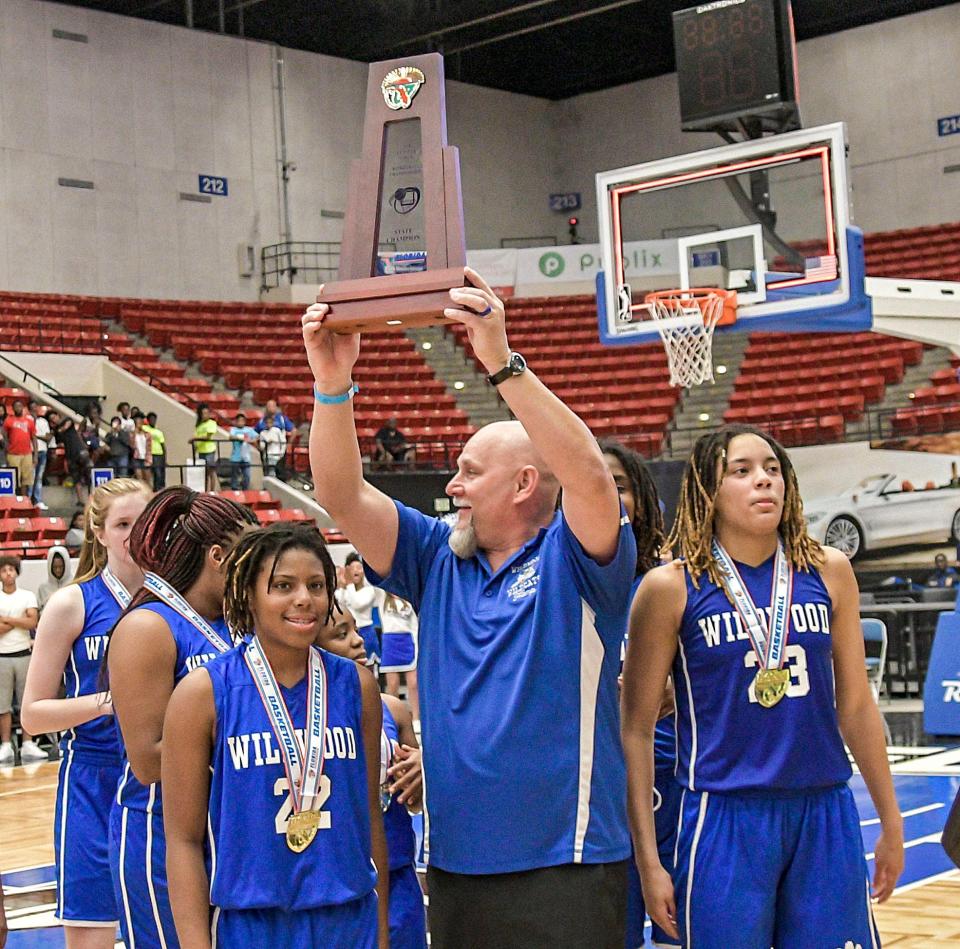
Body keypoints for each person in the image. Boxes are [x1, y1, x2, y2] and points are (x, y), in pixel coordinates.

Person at [303, 266, 636, 948]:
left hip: (566, 862)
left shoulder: (577, 560)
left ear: (522, 484)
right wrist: (333, 387)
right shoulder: (436, 558)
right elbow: (341, 494)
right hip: (454, 863)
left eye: (469, 472)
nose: (451, 483)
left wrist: (501, 361)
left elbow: (590, 475)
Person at [620, 425, 904, 948]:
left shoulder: (831, 571)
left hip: (825, 810)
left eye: (773, 469)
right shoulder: (669, 588)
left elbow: (858, 707)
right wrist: (649, 860)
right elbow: (635, 729)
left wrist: (890, 819)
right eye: (742, 470)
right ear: (708, 488)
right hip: (724, 814)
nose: (763, 481)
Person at [162, 524, 389, 948]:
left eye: (316, 585)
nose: (303, 598)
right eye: (283, 585)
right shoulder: (202, 693)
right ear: (248, 593)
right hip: (253, 925)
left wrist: (379, 935)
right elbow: (183, 840)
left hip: (349, 919)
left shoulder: (357, 686)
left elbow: (370, 817)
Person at [107, 487, 257, 948]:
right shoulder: (148, 627)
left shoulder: (234, 623)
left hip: (228, 826)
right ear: (217, 556)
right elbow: (149, 761)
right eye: (252, 555)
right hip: (159, 834)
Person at [21, 479, 150, 946]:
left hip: (160, 783)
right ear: (99, 533)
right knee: (92, 933)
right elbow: (32, 715)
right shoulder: (72, 603)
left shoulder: (180, 603)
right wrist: (116, 701)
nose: (135, 535)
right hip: (94, 784)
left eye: (145, 523)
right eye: (122, 525)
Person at [599, 439, 678, 949]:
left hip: (677, 781)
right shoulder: (561, 589)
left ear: (644, 500)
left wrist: (675, 682)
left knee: (683, 928)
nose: (606, 495)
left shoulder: (672, 584)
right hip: (600, 789)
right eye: (594, 484)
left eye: (619, 485)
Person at [318, 600, 427, 949]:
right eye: (341, 634)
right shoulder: (305, 721)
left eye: (355, 630)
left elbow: (416, 804)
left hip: (397, 876)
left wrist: (423, 772)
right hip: (339, 879)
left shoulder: (394, 710)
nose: (358, 641)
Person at [0, 556, 45, 764]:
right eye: (4, 570)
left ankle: (29, 743)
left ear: (17, 572)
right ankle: (6, 745)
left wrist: (7, 619)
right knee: (3, 705)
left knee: (25, 702)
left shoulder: (27, 596)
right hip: (3, 656)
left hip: (24, 654)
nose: (8, 573)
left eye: (11, 569)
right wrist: (20, 620)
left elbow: (32, 622)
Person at [377, 590, 420, 723]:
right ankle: (393, 719)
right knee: (393, 684)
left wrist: (417, 646)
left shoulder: (409, 599)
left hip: (407, 641)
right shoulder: (382, 597)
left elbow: (415, 625)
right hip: (390, 642)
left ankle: (416, 719)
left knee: (413, 683)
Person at [338, 552, 380, 671]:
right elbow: (338, 603)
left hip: (366, 631)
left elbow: (357, 604)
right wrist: (342, 584)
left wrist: (349, 584)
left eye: (359, 568)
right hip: (349, 633)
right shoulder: (346, 591)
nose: (356, 571)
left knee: (368, 668)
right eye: (352, 568)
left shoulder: (369, 590)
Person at [50, 412, 92, 503]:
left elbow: (65, 427)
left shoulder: (67, 420)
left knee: (89, 475)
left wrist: (57, 430)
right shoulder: (57, 431)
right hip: (71, 456)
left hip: (80, 451)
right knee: (76, 478)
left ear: (58, 416)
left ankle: (92, 498)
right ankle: (80, 500)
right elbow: (59, 442)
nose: (54, 419)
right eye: (52, 419)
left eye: (54, 417)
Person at [255, 398, 296, 481]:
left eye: (273, 406)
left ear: (276, 407)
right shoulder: (262, 421)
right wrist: (258, 446)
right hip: (266, 452)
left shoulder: (282, 419)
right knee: (268, 472)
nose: (271, 408)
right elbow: (255, 435)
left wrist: (289, 444)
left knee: (280, 472)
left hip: (280, 451)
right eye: (269, 406)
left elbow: (294, 430)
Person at [3, 399, 36, 495]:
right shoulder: (8, 420)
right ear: (13, 408)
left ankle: (24, 500)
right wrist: (7, 448)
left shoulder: (29, 421)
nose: (18, 408)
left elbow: (34, 439)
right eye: (16, 406)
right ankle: (13, 500)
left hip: (27, 453)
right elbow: (4, 436)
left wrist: (35, 455)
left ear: (23, 407)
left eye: (20, 406)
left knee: (26, 480)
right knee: (14, 479)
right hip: (13, 454)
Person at [189, 403, 220, 492]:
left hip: (209, 450)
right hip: (201, 451)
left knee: (211, 471)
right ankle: (205, 490)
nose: (206, 415)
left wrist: (195, 438)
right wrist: (194, 445)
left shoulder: (212, 423)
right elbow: (196, 437)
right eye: (204, 413)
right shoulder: (199, 425)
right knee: (204, 472)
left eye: (207, 413)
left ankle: (212, 490)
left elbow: (207, 437)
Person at [37, 545, 73, 612]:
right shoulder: (43, 588)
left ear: (66, 565)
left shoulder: (75, 584)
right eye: (55, 567)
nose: (58, 570)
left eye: (61, 567)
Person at [228, 412, 258, 491]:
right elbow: (231, 437)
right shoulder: (233, 429)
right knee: (235, 476)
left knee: (247, 476)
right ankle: (234, 491)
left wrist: (251, 441)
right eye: (239, 421)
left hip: (246, 457)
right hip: (235, 457)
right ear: (236, 421)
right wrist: (240, 438)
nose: (241, 422)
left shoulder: (249, 430)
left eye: (242, 421)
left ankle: (245, 490)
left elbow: (256, 437)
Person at [31, 404, 52, 510]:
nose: (35, 409)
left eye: (36, 407)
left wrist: (35, 435)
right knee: (31, 477)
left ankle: (37, 500)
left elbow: (48, 437)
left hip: (43, 451)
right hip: (31, 451)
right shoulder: (27, 420)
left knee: (39, 477)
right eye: (33, 407)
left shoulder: (43, 421)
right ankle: (29, 500)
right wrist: (38, 436)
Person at [258, 412, 287, 479]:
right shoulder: (263, 433)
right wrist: (266, 443)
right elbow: (262, 447)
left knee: (278, 472)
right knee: (270, 472)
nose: (268, 424)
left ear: (273, 423)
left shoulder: (277, 431)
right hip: (268, 455)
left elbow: (283, 442)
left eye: (270, 422)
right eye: (267, 423)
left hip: (277, 455)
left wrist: (281, 453)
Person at [143, 413, 166, 490]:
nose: (153, 421)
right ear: (148, 420)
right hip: (148, 454)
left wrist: (164, 458)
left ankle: (158, 489)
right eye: (151, 419)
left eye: (154, 419)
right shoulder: (144, 428)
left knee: (158, 473)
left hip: (158, 454)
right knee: (148, 473)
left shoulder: (159, 432)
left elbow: (163, 445)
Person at [130, 414, 152, 485]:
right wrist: (135, 432)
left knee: (147, 480)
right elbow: (132, 445)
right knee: (140, 480)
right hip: (137, 458)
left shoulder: (147, 434)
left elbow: (149, 447)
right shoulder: (132, 434)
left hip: (146, 458)